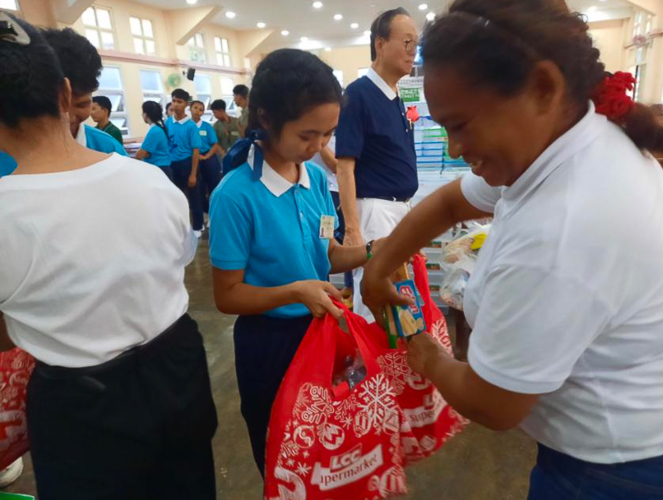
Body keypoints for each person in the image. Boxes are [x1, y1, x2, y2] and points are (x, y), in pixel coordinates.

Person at [362, 1, 663, 499]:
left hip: (611, 472)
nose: (454, 148)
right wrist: (382, 264)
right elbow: (449, 201)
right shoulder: (561, 142)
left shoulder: (565, 226)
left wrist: (428, 355)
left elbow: (495, 403)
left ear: (543, 87)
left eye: (461, 125)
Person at [0, 14, 217, 499]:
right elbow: (172, 266)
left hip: (84, 407)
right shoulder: (149, 182)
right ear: (64, 94)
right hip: (178, 374)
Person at [210, 49, 381, 476]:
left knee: (328, 445)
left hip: (323, 333)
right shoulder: (236, 196)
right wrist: (296, 291)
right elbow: (227, 296)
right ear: (266, 118)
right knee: (283, 452)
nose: (319, 146)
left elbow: (329, 255)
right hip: (270, 345)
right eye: (308, 135)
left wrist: (382, 249)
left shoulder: (315, 181)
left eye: (328, 134)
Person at [335, 8, 418, 319]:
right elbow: (345, 166)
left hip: (399, 209)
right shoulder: (358, 95)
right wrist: (353, 229)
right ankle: (372, 365)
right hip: (375, 211)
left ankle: (394, 364)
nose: (412, 52)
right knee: (376, 298)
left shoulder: (396, 97)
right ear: (380, 44)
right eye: (407, 42)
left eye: (415, 45)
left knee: (403, 299)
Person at [41, 28, 126, 156]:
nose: (69, 118)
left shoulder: (107, 147)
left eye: (82, 105)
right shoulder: (9, 156)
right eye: (56, 107)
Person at [165, 89, 204, 237]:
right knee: (176, 196)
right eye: (174, 101)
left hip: (187, 163)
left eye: (179, 102)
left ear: (186, 104)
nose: (176, 104)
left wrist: (193, 173)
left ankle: (198, 226)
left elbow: (195, 150)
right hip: (172, 164)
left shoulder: (190, 126)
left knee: (194, 196)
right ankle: (179, 226)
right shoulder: (168, 122)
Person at [190, 100, 222, 211]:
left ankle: (216, 210)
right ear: (190, 108)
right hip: (193, 158)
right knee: (199, 187)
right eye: (195, 108)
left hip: (208, 157)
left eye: (201, 109)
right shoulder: (187, 126)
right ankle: (204, 212)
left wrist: (206, 156)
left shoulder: (207, 127)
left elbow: (215, 144)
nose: (197, 111)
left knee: (214, 184)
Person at [136, 100, 173, 180]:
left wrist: (144, 153)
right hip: (161, 168)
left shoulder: (155, 131)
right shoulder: (158, 128)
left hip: (159, 168)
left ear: (145, 115)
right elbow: (146, 152)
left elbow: (139, 155)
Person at [211, 99, 240, 165]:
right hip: (224, 157)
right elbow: (214, 143)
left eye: (215, 112)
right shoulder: (216, 126)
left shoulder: (237, 122)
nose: (214, 115)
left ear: (221, 110)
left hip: (239, 155)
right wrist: (223, 154)